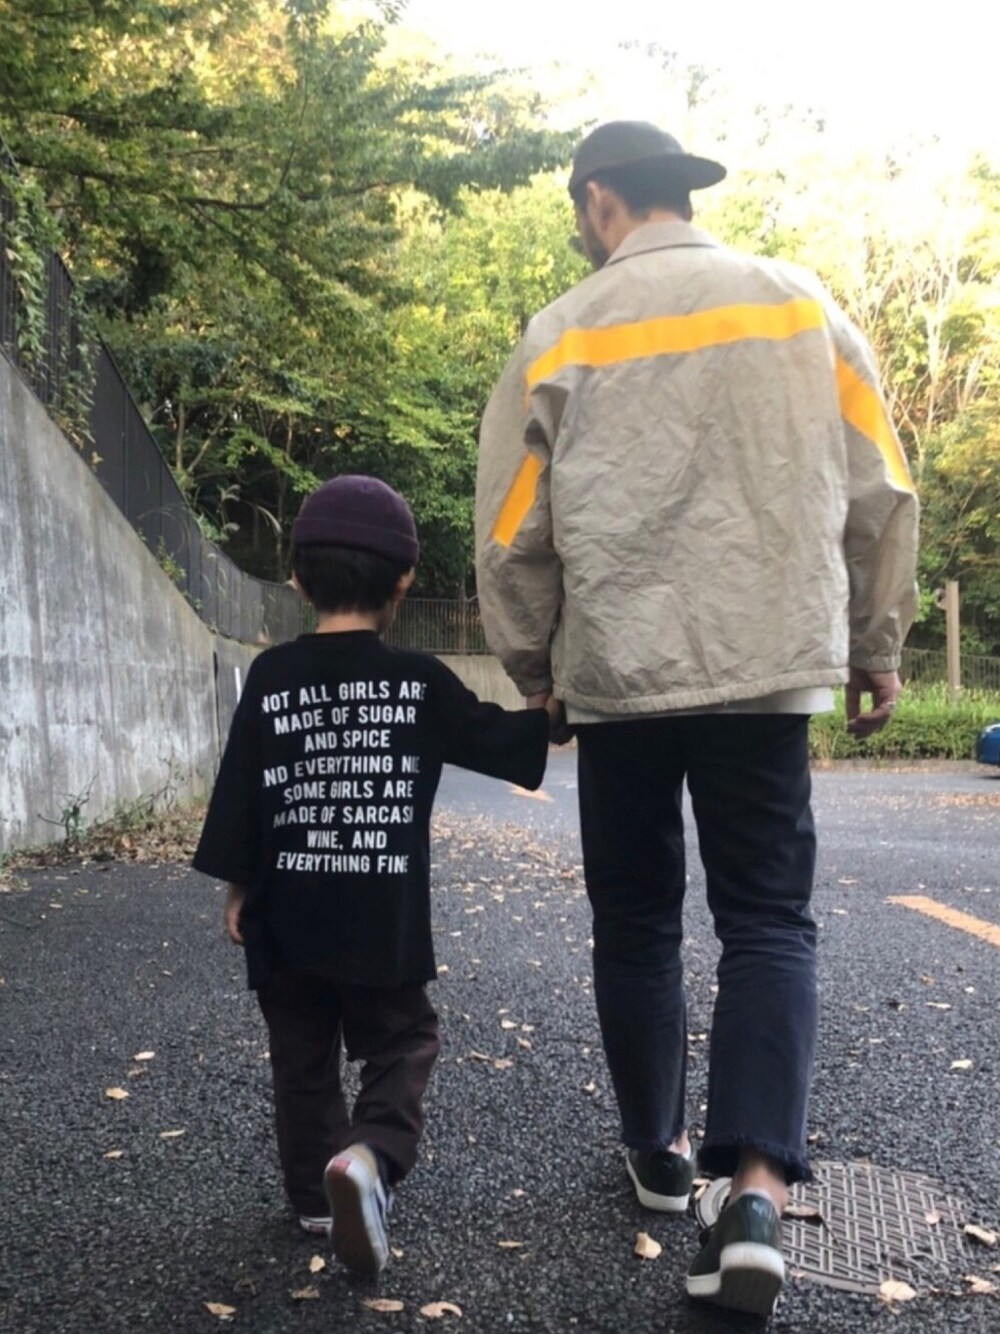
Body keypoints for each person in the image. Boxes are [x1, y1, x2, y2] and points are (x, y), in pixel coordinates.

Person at [475, 121, 918, 1317]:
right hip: (765, 664)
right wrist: (874, 640)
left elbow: (513, 525)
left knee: (634, 919)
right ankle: (757, 1190)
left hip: (618, 673)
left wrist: (533, 664)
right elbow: (881, 486)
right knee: (766, 917)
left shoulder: (561, 331)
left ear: (599, 199)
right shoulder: (798, 306)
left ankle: (660, 1152)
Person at [193, 475, 552, 1276]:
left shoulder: (271, 677)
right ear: (404, 581)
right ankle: (370, 1155)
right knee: (402, 1038)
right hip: (380, 912)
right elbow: (500, 739)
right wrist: (551, 708)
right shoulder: (419, 682)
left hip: (286, 910)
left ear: (296, 578)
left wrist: (239, 886)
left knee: (302, 1058)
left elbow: (242, 789)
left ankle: (316, 1200)